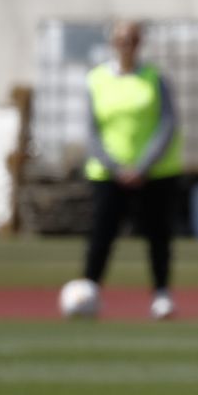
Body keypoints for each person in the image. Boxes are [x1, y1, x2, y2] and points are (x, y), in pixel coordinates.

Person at [76, 19, 183, 320]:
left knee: (158, 234)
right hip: (108, 172)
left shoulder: (154, 78)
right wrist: (116, 166)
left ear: (139, 43)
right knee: (101, 233)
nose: (126, 45)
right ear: (113, 42)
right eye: (121, 39)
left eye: (132, 40)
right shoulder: (97, 79)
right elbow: (91, 130)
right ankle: (89, 290)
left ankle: (161, 294)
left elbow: (168, 123)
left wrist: (143, 165)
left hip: (155, 171)